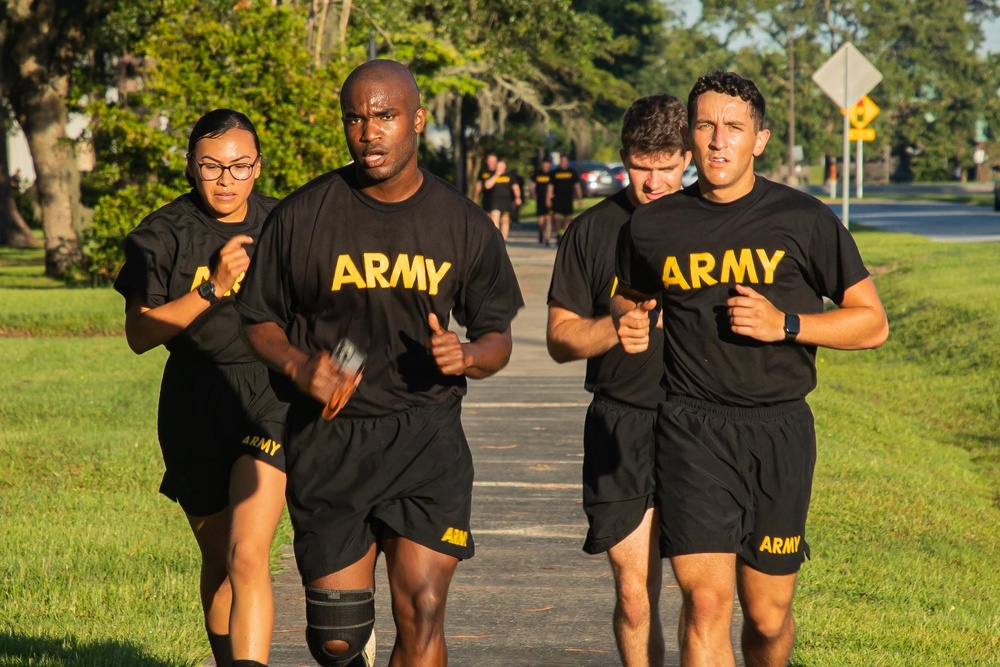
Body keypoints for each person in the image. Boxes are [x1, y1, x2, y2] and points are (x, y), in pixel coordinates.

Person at [235, 59, 523, 666]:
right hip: (331, 439)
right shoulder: (303, 215)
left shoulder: (461, 222)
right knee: (337, 640)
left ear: (416, 119)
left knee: (421, 609)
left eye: (385, 116)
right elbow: (257, 318)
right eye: (356, 119)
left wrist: (469, 355)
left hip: (425, 437)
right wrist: (297, 366)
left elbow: (499, 335)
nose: (369, 132)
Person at [611, 71, 889, 666]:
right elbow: (628, 294)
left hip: (778, 431)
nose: (718, 141)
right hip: (690, 430)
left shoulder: (805, 219)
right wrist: (629, 319)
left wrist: (786, 324)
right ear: (688, 136)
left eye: (733, 128)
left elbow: (871, 322)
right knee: (706, 604)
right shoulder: (652, 226)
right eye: (706, 127)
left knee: (766, 617)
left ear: (759, 140)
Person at [113, 109, 289, 667]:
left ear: (258, 167)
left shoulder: (287, 224)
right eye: (212, 165)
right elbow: (140, 334)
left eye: (239, 166)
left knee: (246, 555)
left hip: (268, 396)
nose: (226, 178)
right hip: (194, 399)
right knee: (218, 561)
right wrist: (213, 288)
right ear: (191, 166)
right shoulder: (161, 234)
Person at [546, 94, 690, 667]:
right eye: (640, 165)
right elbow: (559, 339)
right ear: (624, 158)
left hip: (700, 423)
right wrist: (614, 326)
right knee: (635, 598)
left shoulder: (718, 224)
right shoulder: (590, 231)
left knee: (705, 598)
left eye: (667, 165)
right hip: (621, 421)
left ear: (689, 156)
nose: (653, 181)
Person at [474, 154, 521, 240]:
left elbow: (515, 187)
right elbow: (486, 185)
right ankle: (496, 238)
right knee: (494, 216)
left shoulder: (509, 176)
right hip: (493, 200)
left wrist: (518, 197)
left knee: (505, 220)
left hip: (506, 201)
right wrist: (497, 174)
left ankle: (504, 239)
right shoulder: (489, 174)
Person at [550, 154, 584, 240]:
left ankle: (565, 235)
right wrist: (549, 197)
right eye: (561, 161)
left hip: (568, 198)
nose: (563, 163)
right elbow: (550, 186)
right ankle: (558, 233)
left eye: (564, 161)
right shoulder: (554, 173)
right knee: (556, 217)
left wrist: (580, 198)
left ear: (567, 162)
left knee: (568, 217)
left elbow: (577, 186)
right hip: (557, 198)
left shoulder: (572, 172)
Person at [531, 157, 554, 245]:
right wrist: (533, 194)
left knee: (548, 218)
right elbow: (533, 185)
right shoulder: (537, 174)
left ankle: (547, 238)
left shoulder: (552, 174)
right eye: (544, 165)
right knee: (540, 220)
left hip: (549, 199)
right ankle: (540, 232)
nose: (545, 166)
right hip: (540, 198)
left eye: (547, 165)